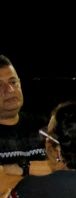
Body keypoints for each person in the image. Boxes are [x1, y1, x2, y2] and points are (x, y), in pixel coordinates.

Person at [0, 55, 51, 191]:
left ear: (20, 84)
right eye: (0, 85)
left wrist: (21, 168)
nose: (10, 90)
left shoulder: (44, 126)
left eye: (13, 82)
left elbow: (64, 164)